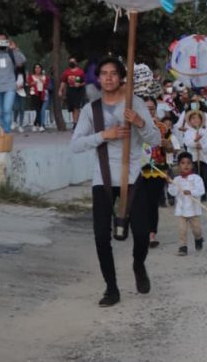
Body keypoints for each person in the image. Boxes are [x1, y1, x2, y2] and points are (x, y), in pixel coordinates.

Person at [69, 56, 161, 307]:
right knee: (101, 236)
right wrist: (103, 135)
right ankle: (111, 288)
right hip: (104, 178)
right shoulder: (91, 110)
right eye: (103, 73)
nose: (108, 78)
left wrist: (140, 123)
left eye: (113, 73)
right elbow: (75, 144)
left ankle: (138, 264)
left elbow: (154, 139)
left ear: (121, 78)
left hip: (132, 176)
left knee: (142, 234)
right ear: (98, 79)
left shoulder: (135, 104)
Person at [141, 97, 170, 250]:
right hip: (137, 170)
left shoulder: (162, 127)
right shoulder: (135, 126)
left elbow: (173, 148)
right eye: (145, 108)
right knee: (139, 203)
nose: (149, 111)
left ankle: (151, 234)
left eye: (151, 108)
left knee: (152, 203)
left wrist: (168, 145)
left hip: (157, 170)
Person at [0, 34, 27, 133]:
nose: (1, 42)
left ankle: (5, 132)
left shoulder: (12, 53)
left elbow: (22, 60)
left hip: (9, 87)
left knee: (7, 110)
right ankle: (2, 132)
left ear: (7, 41)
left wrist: (15, 49)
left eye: (3, 40)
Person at [167, 152, 206, 256]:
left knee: (196, 230)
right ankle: (182, 247)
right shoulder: (176, 180)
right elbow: (173, 192)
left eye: (188, 163)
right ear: (179, 165)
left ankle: (198, 238)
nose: (186, 165)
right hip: (181, 210)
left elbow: (201, 190)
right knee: (182, 230)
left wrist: (191, 192)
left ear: (192, 165)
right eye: (183, 163)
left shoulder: (197, 178)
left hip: (194, 209)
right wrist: (170, 184)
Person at [180, 110, 207, 200]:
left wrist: (202, 146)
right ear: (190, 120)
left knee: (204, 177)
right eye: (193, 118)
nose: (196, 120)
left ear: (201, 120)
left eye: (198, 118)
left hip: (203, 158)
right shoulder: (188, 132)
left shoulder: (204, 132)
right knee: (194, 176)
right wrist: (195, 142)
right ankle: (195, 192)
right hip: (192, 159)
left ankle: (204, 192)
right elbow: (187, 143)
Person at [60, 57, 87, 127]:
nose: (71, 63)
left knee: (76, 107)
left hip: (78, 91)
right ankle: (75, 121)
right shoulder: (66, 72)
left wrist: (80, 84)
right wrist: (60, 90)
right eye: (70, 61)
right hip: (70, 90)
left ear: (76, 63)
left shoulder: (80, 72)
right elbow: (63, 82)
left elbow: (86, 81)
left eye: (73, 61)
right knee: (72, 108)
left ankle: (75, 124)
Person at [27, 63, 49, 132]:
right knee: (38, 109)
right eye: (36, 68)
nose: (37, 69)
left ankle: (34, 124)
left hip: (42, 94)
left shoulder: (44, 76)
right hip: (35, 94)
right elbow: (29, 83)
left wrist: (43, 81)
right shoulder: (31, 76)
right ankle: (40, 125)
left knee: (40, 109)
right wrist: (33, 83)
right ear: (34, 69)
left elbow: (46, 85)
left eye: (39, 67)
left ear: (41, 69)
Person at [12, 65, 27, 132]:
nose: (20, 65)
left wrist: (22, 86)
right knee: (15, 108)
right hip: (15, 92)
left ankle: (20, 125)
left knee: (22, 109)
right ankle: (14, 121)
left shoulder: (25, 73)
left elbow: (26, 83)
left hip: (22, 93)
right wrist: (15, 87)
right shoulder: (13, 73)